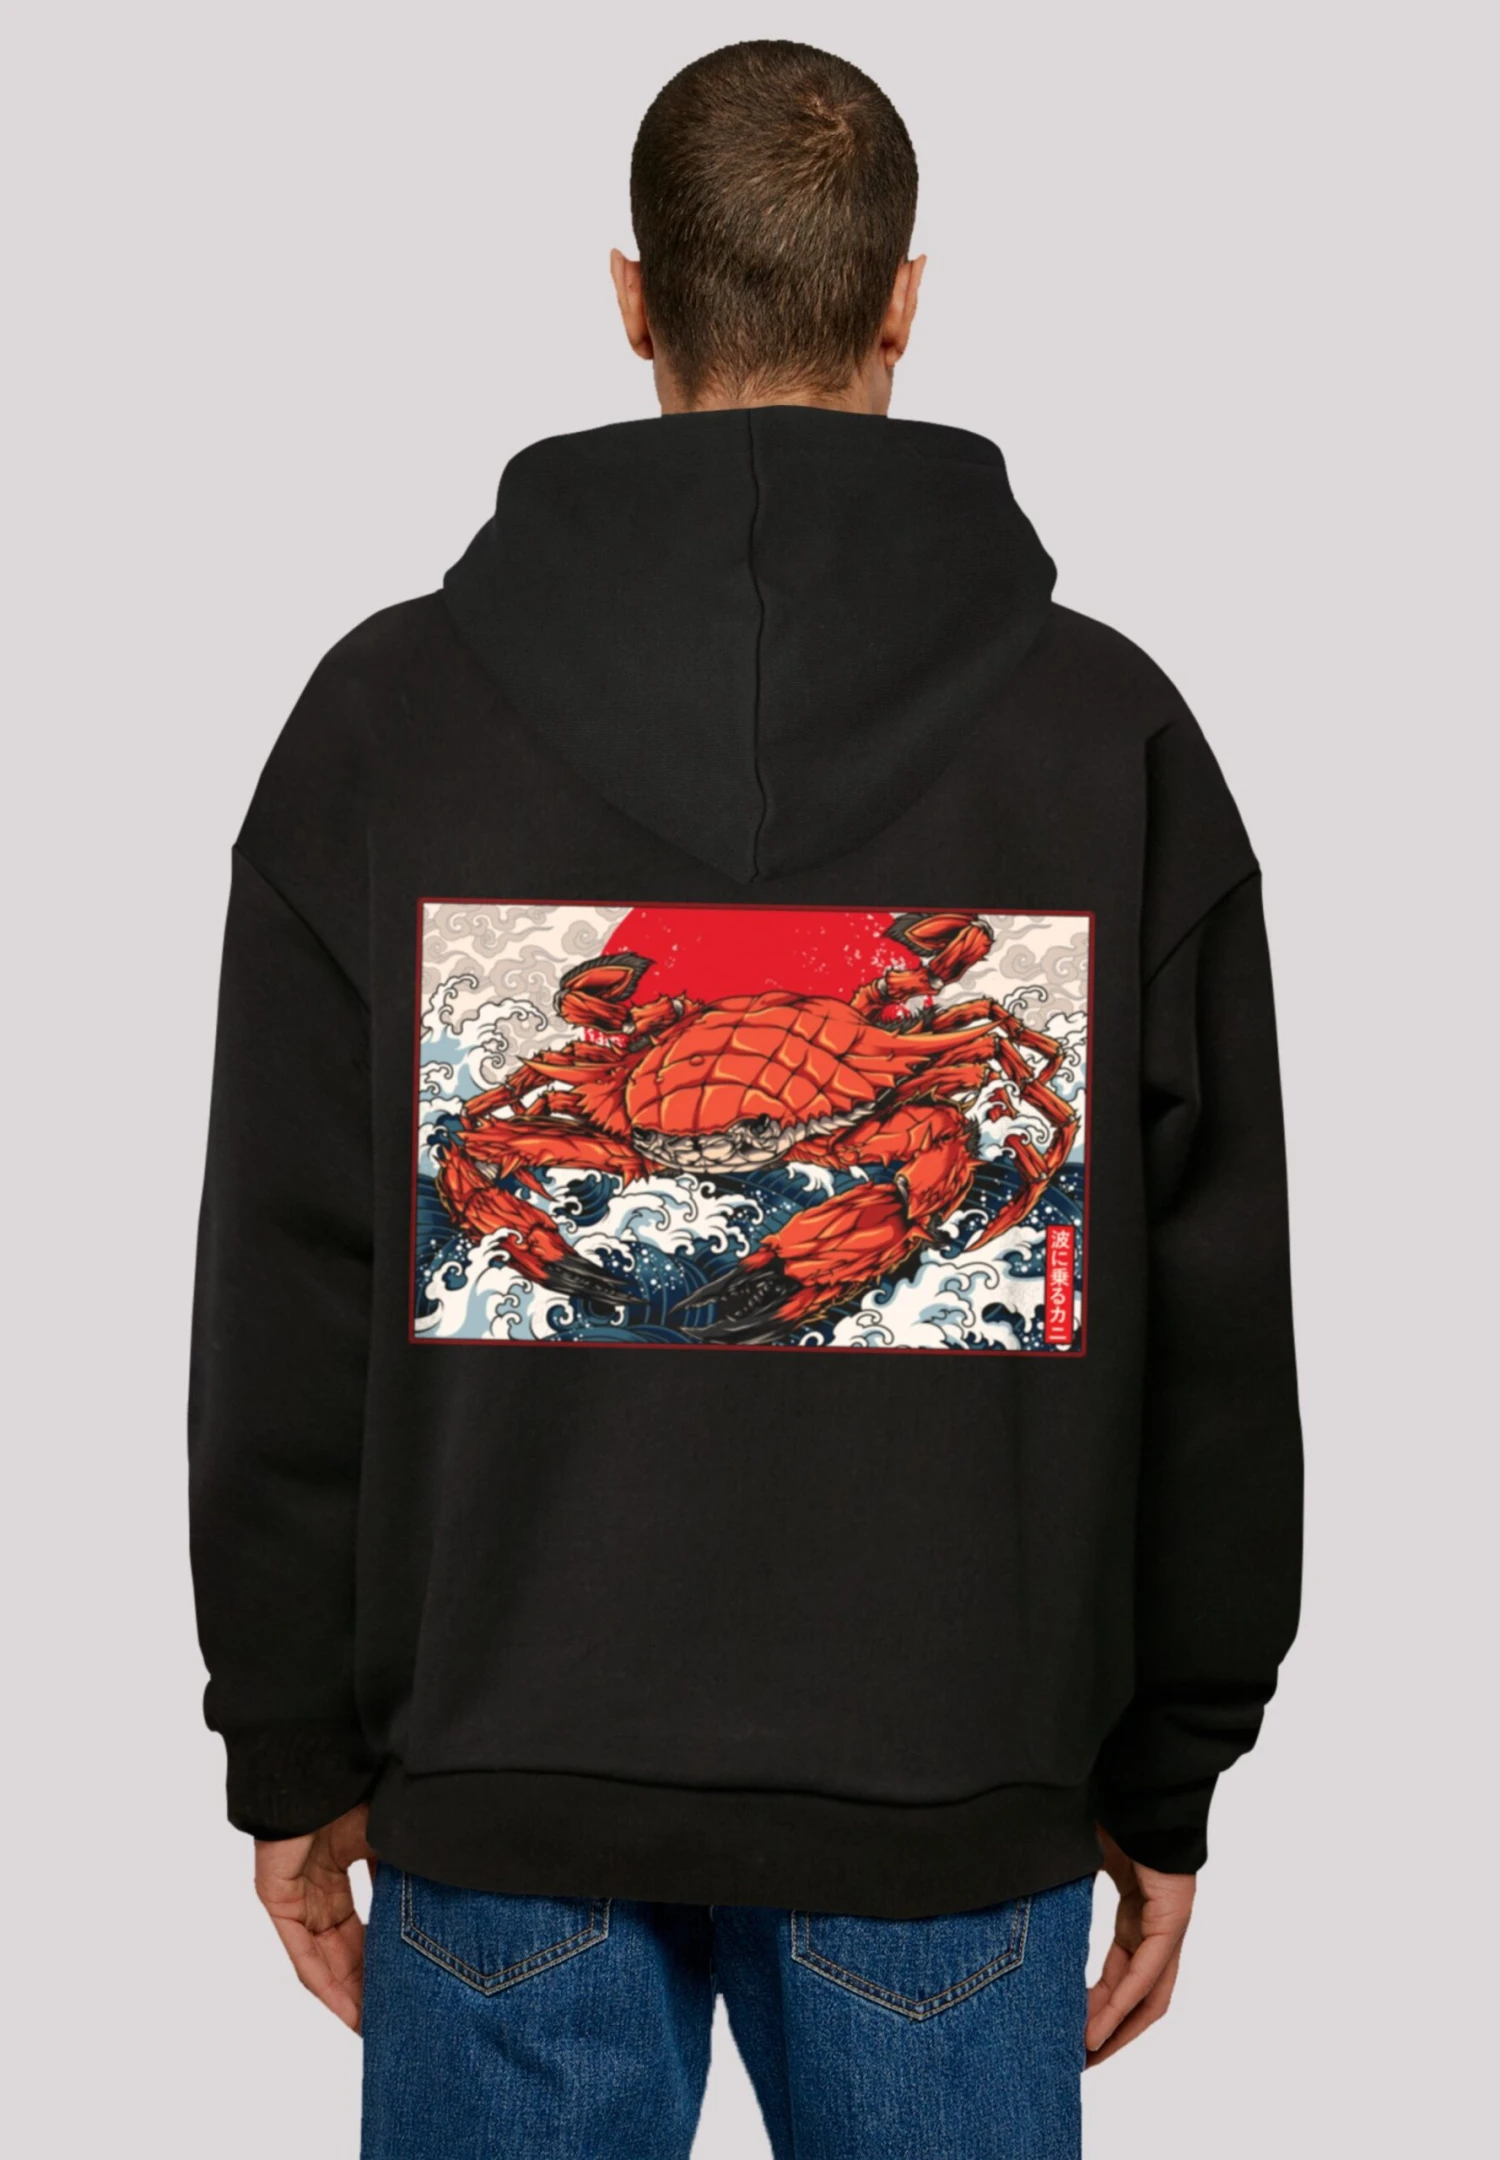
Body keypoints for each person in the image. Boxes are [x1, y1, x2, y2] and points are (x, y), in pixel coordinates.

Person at [190, 38, 1303, 2159]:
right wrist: (1173, 1772)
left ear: (633, 300)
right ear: (905, 301)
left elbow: (283, 1276)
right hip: (954, 1791)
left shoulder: (383, 722)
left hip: (498, 1778)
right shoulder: (1110, 736)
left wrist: (288, 1749)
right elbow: (1223, 1329)